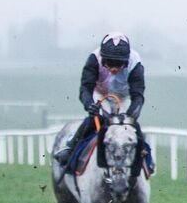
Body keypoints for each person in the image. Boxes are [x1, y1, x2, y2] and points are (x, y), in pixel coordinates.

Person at [53, 32, 148, 170]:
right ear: (103, 59)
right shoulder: (94, 59)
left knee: (130, 125)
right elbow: (85, 89)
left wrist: (131, 115)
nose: (114, 68)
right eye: (110, 63)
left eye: (119, 64)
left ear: (126, 61)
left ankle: (146, 161)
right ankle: (70, 148)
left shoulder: (135, 63)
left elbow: (138, 95)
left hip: (124, 97)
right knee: (95, 119)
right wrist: (89, 105)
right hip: (100, 93)